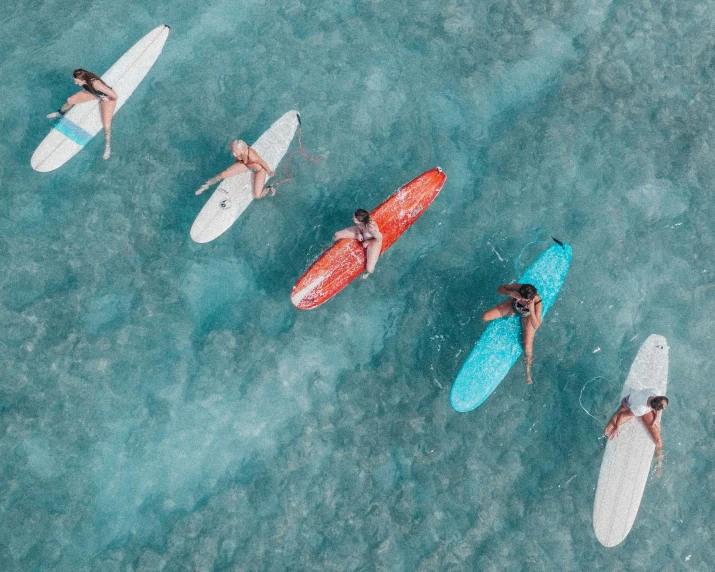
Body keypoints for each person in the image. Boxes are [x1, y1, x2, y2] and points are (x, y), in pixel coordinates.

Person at [47, 69, 118, 160]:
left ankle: (108, 146)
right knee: (70, 100)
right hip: (93, 92)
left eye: (77, 81)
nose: (75, 83)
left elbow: (115, 96)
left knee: (106, 124)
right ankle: (60, 113)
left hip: (106, 98)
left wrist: (106, 98)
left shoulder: (96, 84)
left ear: (83, 80)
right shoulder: (83, 77)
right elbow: (77, 70)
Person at [482, 283, 542, 384]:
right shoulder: (518, 288)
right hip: (513, 308)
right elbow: (499, 289)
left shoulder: (536, 301)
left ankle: (528, 371)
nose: (524, 301)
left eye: (526, 300)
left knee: (527, 348)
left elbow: (536, 324)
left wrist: (531, 309)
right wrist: (509, 293)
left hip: (528, 316)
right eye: (523, 299)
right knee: (485, 317)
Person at [604, 390, 668, 477]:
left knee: (658, 440)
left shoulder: (655, 392)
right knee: (608, 431)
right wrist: (616, 428)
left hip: (643, 406)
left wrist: (656, 418)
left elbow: (655, 405)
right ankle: (601, 448)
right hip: (628, 405)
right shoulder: (640, 409)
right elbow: (621, 415)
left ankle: (659, 465)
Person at [195, 140, 275, 198]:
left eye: (236, 152)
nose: (233, 154)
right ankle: (206, 186)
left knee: (257, 195)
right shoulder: (235, 146)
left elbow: (262, 163)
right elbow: (231, 143)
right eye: (233, 151)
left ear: (242, 150)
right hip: (245, 164)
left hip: (258, 171)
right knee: (223, 174)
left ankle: (268, 189)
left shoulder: (252, 156)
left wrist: (270, 172)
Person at [333, 209, 383, 278]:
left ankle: (367, 274)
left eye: (354, 218)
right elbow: (357, 226)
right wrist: (358, 233)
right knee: (337, 235)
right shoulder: (360, 221)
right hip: (362, 233)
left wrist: (368, 242)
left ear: (360, 220)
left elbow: (379, 238)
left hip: (373, 241)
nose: (352, 218)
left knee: (369, 269)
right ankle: (329, 246)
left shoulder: (371, 228)